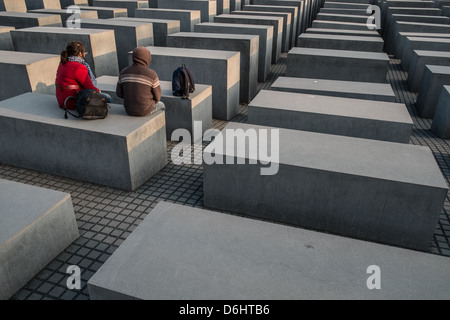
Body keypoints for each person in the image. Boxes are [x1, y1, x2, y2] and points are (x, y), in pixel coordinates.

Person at [55, 41, 111, 110]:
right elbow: (90, 87)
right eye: (84, 52)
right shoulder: (79, 67)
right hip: (71, 101)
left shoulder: (63, 63)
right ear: (80, 54)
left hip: (61, 99)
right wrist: (98, 91)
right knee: (108, 97)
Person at [116, 46, 165, 117]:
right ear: (147, 58)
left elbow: (119, 93)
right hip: (145, 111)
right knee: (162, 105)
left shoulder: (123, 72)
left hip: (129, 110)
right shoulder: (152, 74)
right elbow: (157, 97)